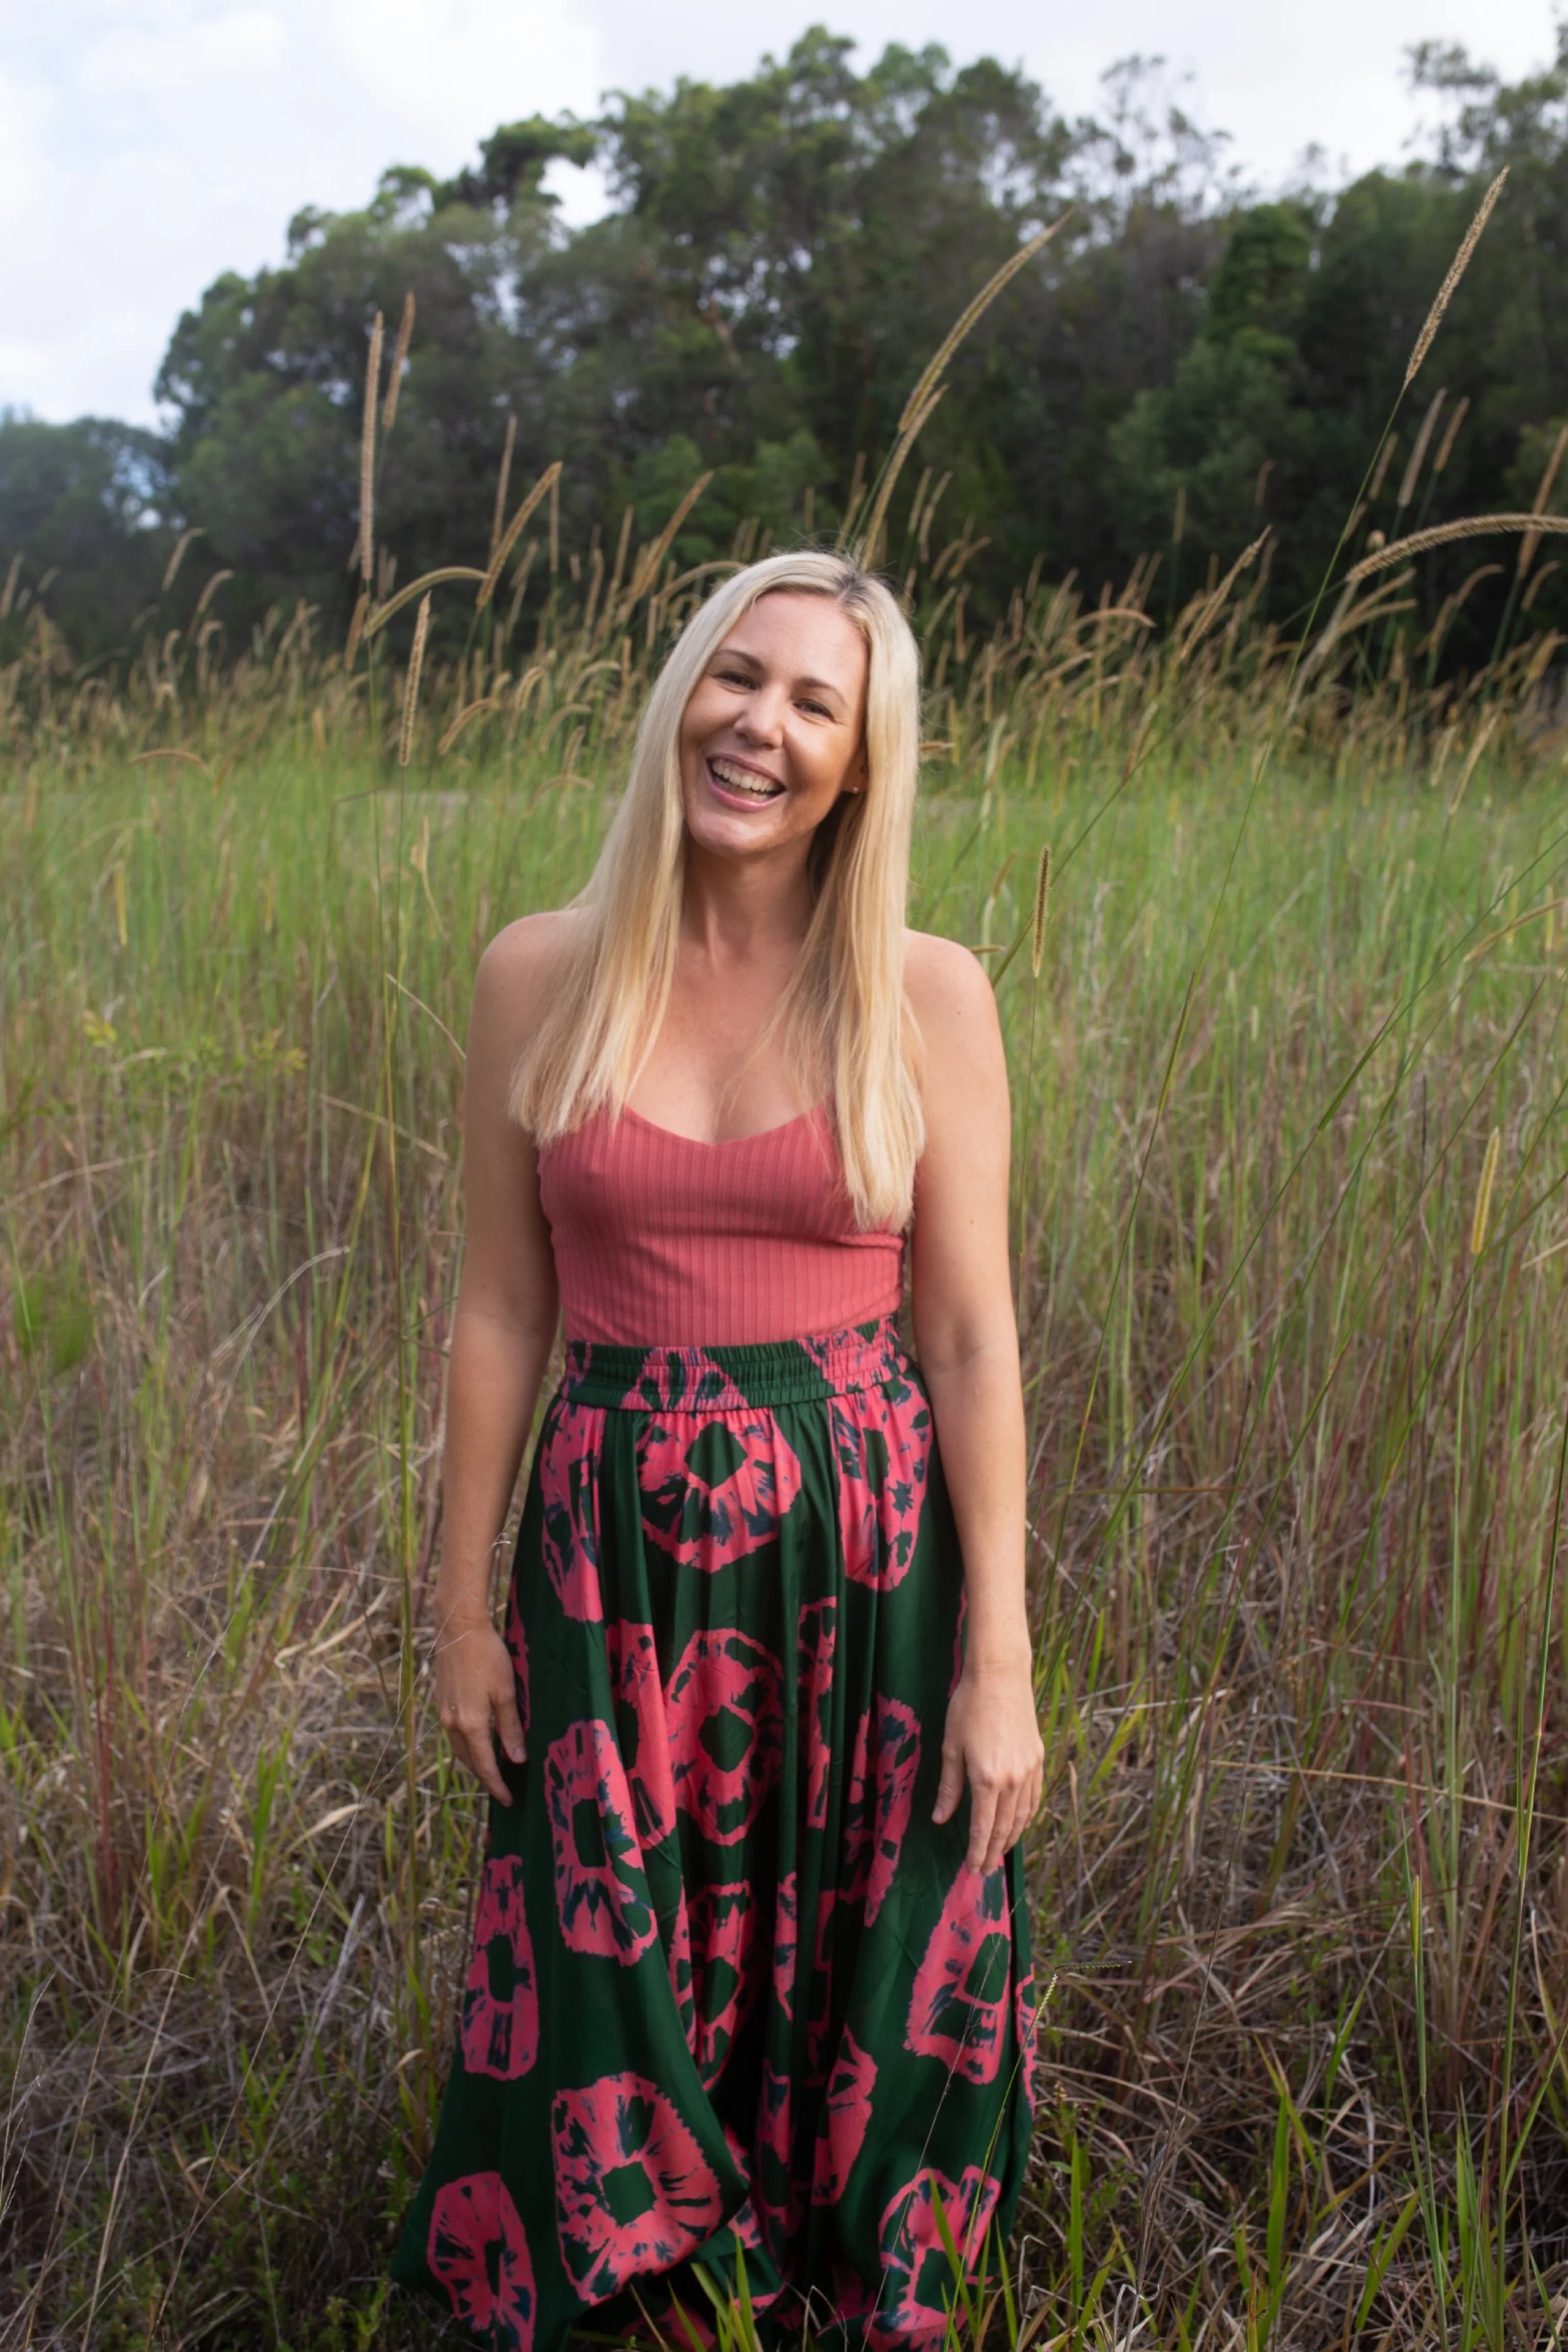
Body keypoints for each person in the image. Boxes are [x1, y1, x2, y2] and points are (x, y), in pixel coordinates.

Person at [389, 550, 1044, 2351]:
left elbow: (970, 1336)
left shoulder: (926, 993)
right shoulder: (539, 972)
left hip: (865, 1561)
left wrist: (999, 1656)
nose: (758, 724)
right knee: (612, 1950)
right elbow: (499, 1311)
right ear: (680, 692)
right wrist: (459, 1613)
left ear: (858, 761)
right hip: (607, 1553)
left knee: (860, 1942)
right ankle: (656, 2290)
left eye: (812, 701)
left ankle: (841, 2273)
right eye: (732, 677)